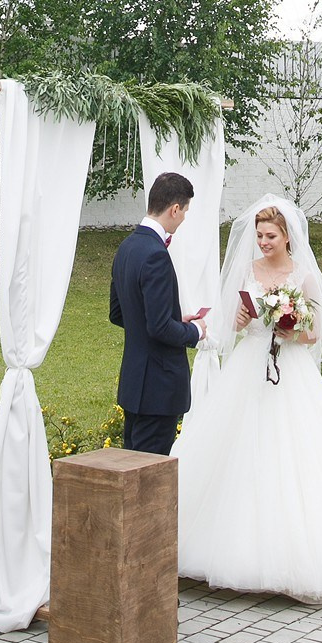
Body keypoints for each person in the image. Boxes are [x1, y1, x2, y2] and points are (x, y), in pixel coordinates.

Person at [173, 195, 322, 604]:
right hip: (250, 369)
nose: (263, 242)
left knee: (298, 456)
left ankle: (302, 558)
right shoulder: (248, 271)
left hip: (290, 373)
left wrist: (290, 329)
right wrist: (240, 319)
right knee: (240, 452)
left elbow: (314, 334)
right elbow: (233, 325)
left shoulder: (302, 276)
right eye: (259, 235)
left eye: (270, 235)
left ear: (287, 237)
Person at [110, 172, 207, 455]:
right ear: (174, 209)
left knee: (132, 468)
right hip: (159, 388)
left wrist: (171, 320)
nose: (185, 218)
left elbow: (118, 313)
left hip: (135, 383)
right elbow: (160, 328)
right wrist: (195, 332)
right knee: (149, 476)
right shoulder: (155, 254)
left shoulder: (126, 247)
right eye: (185, 211)